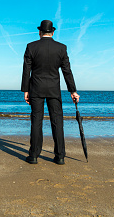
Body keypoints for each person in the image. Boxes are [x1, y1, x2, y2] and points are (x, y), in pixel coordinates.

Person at [21, 20, 80, 165]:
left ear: (40, 32)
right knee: (57, 121)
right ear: (52, 32)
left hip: (36, 89)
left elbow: (26, 70)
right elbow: (67, 71)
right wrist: (73, 91)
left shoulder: (31, 47)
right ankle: (60, 156)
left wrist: (25, 90)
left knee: (36, 122)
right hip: (54, 90)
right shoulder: (61, 48)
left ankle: (34, 155)